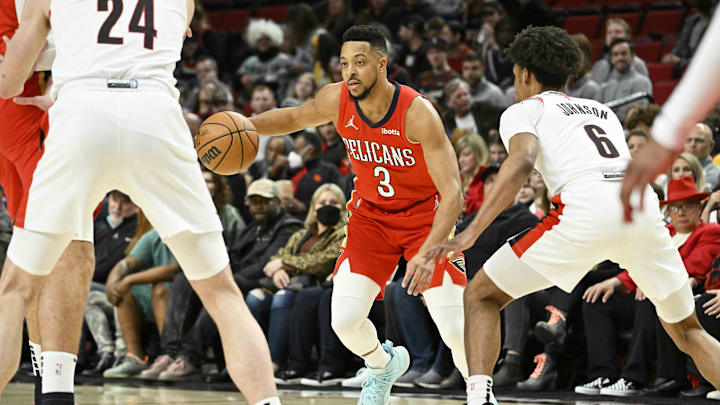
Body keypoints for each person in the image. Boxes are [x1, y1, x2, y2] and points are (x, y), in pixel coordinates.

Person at [0, 1, 281, 404]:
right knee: (222, 294)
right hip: (154, 115)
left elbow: (10, 82)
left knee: (15, 289)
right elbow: (173, 32)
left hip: (83, 114)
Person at [425, 26, 720, 405]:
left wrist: (472, 231)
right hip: (640, 208)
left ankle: (479, 400)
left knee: (481, 295)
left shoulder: (523, 110)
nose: (515, 83)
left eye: (515, 74)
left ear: (525, 73)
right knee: (687, 329)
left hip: (586, 209)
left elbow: (520, 163)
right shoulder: (603, 111)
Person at [248, 24, 469, 404]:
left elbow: (453, 196)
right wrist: (245, 126)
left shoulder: (418, 113)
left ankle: (482, 394)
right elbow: (293, 118)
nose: (349, 71)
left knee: (453, 326)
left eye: (360, 63)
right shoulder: (336, 100)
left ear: (382, 65)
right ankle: (383, 365)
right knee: (345, 321)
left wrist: (429, 251)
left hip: (425, 220)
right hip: (371, 221)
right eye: (344, 63)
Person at [0, 2, 95, 404]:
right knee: (69, 247)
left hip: (15, 99)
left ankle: (46, 387)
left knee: (35, 253)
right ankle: (57, 395)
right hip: (27, 94)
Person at [599, 38, 652, 122]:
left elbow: (637, 116)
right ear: (612, 59)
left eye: (624, 53)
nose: (620, 57)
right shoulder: (605, 86)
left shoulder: (642, 82)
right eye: (616, 54)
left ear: (633, 56)